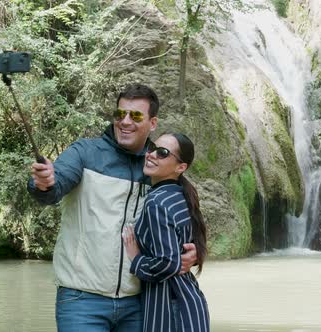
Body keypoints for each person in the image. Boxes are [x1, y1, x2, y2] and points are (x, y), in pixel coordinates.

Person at [28, 84, 197, 332]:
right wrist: (43, 183)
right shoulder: (85, 153)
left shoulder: (158, 163)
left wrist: (195, 254)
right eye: (120, 114)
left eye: (135, 115)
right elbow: (54, 185)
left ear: (152, 123)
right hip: (82, 300)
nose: (125, 121)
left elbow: (186, 213)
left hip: (140, 303)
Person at [122, 133, 210, 332]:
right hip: (189, 304)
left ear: (181, 167)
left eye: (162, 153)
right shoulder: (181, 195)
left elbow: (167, 263)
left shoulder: (156, 202)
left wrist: (136, 259)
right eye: (152, 147)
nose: (151, 154)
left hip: (169, 311)